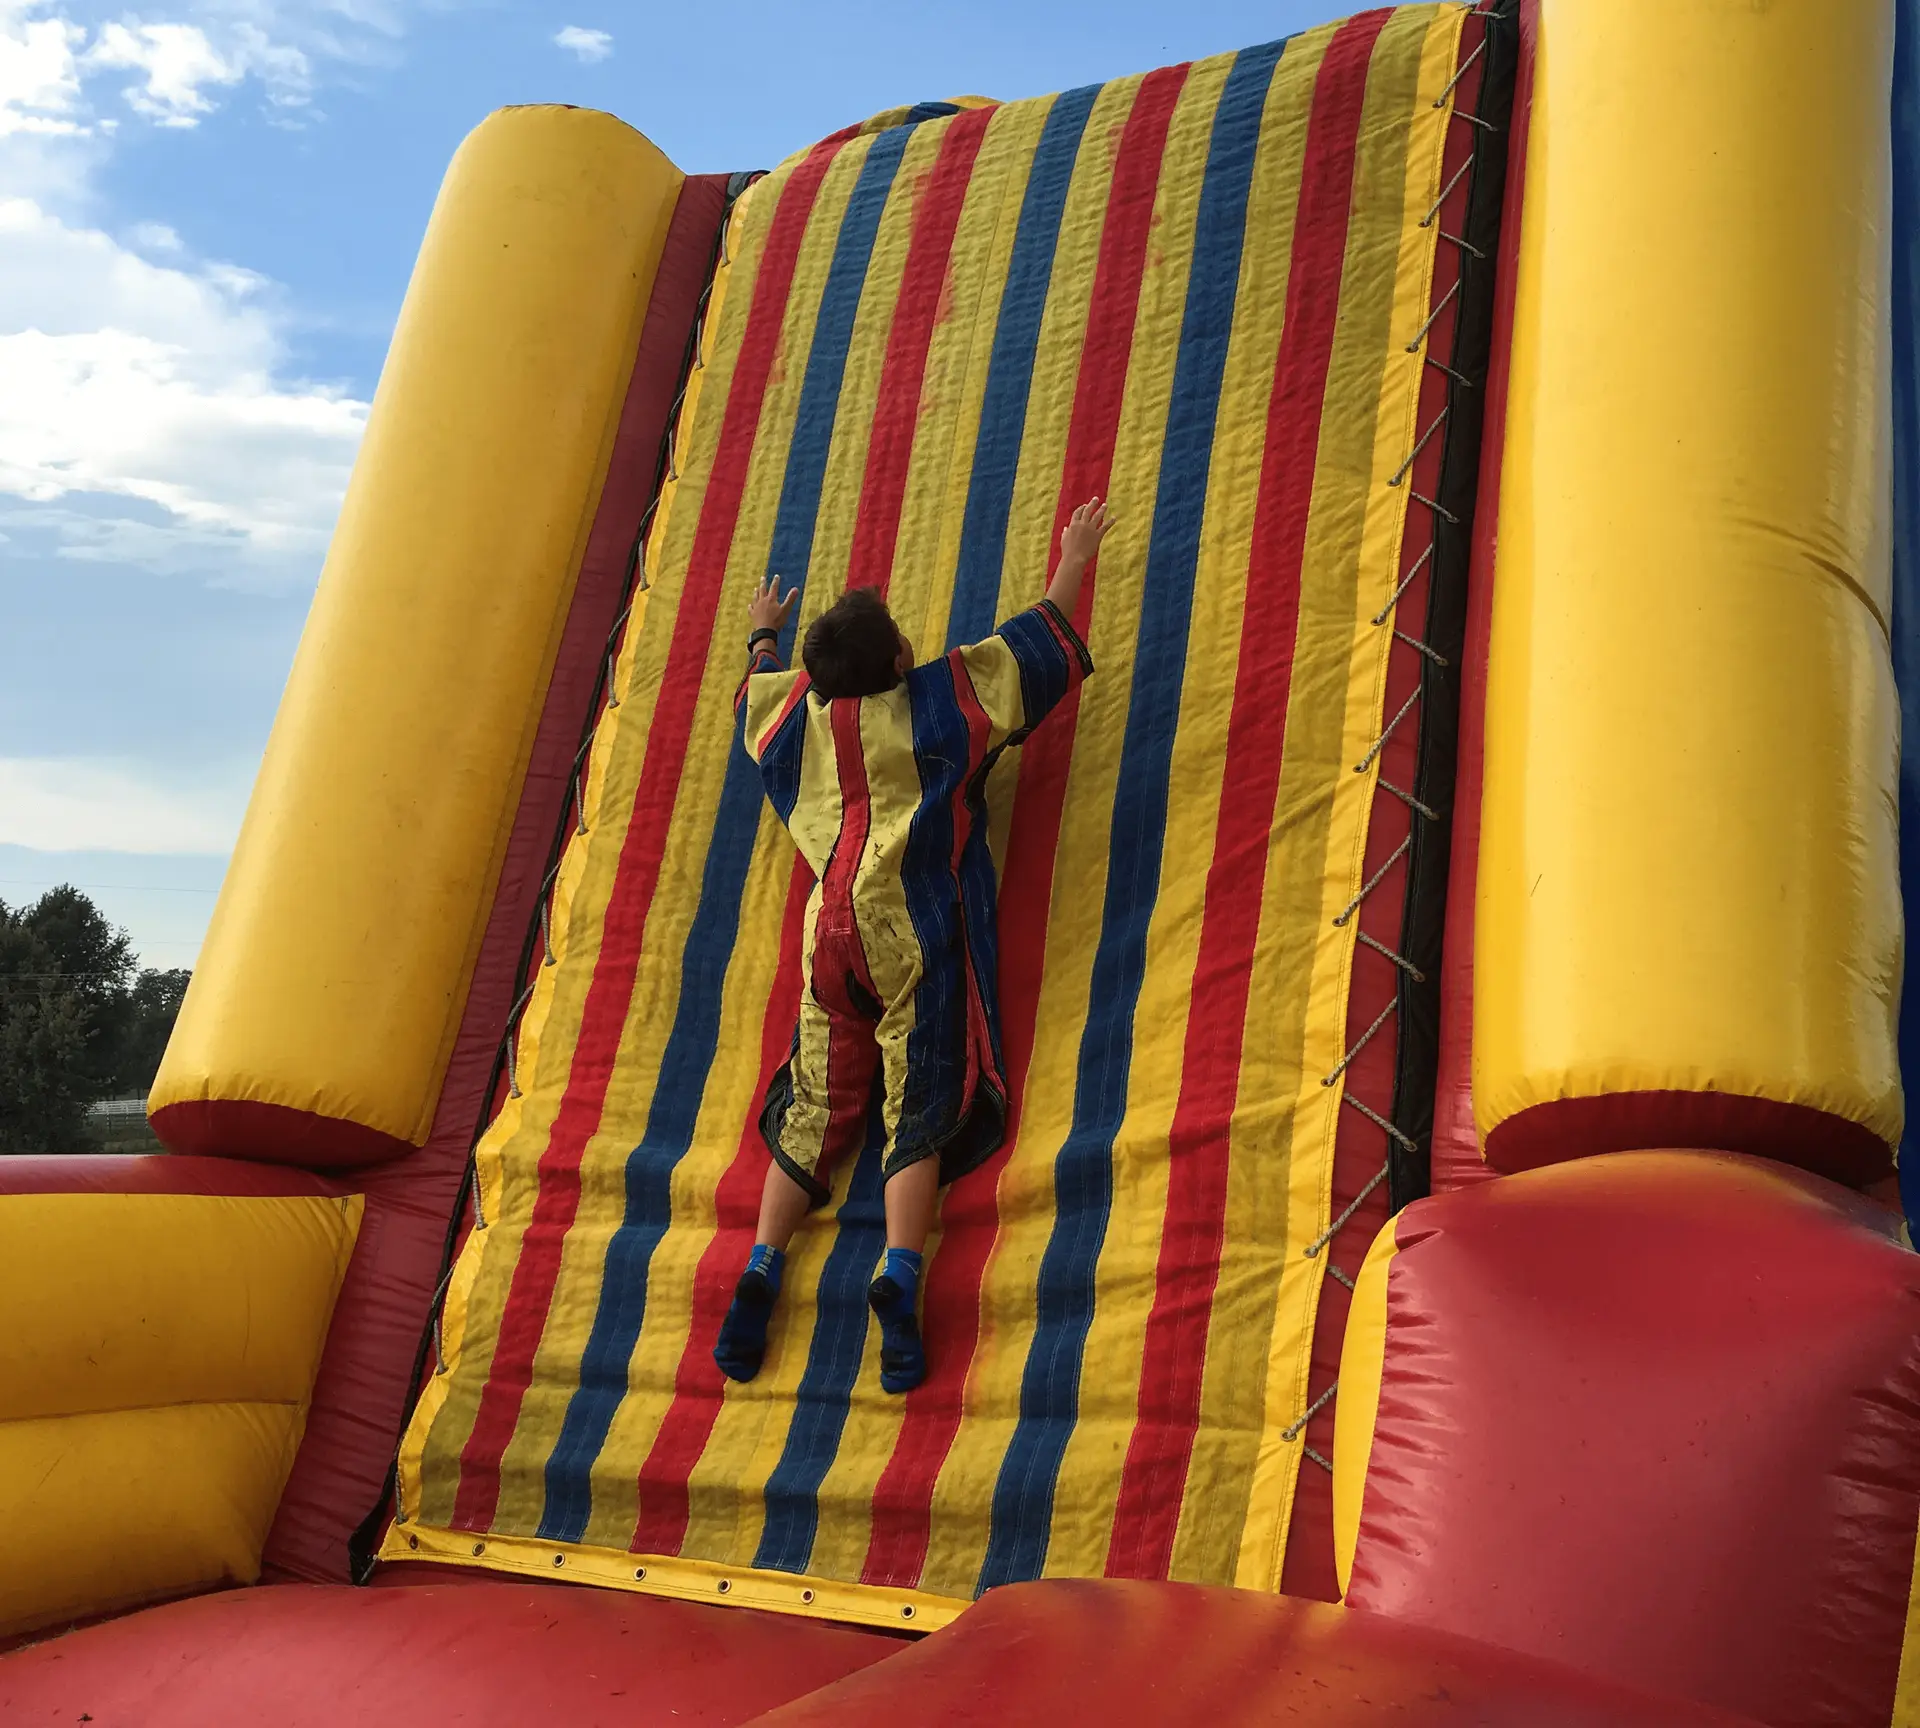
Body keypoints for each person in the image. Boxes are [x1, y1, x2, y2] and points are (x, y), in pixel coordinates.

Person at [714, 498, 1109, 1394]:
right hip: (908, 933)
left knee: (816, 1104)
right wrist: (1074, 560)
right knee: (917, 1103)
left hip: (831, 938)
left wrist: (761, 636)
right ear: (900, 659)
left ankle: (762, 1267)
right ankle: (898, 1274)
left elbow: (754, 699)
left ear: (820, 684)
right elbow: (1028, 650)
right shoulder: (936, 704)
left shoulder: (799, 724)